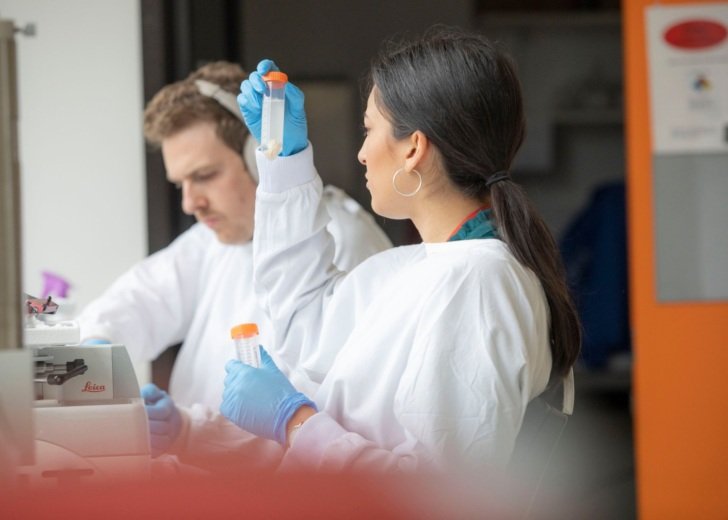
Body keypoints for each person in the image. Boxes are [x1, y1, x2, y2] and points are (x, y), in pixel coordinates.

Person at [220, 27, 581, 477]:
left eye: (369, 129)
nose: (361, 154)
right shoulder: (419, 266)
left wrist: (295, 423)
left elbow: (438, 494)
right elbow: (302, 325)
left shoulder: (478, 279)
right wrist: (285, 158)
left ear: (414, 148)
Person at [76, 61, 392, 466]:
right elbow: (138, 299)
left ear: (257, 152)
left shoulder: (341, 243)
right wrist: (97, 351)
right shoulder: (215, 241)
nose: (190, 203)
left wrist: (188, 430)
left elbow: (325, 415)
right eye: (181, 184)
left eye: (204, 175)